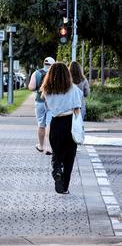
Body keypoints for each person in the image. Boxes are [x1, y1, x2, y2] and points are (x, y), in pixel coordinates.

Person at [40, 62, 83, 194]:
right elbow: (77, 109)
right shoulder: (74, 89)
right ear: (67, 73)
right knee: (69, 157)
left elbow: (48, 108)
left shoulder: (47, 90)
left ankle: (57, 170)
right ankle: (64, 187)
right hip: (70, 123)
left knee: (57, 153)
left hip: (56, 123)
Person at [28, 56, 55, 154]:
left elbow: (31, 87)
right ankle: (49, 147)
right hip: (52, 102)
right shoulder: (55, 73)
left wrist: (38, 89)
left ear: (44, 63)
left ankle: (41, 145)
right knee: (50, 124)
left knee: (41, 124)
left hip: (40, 101)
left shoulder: (37, 73)